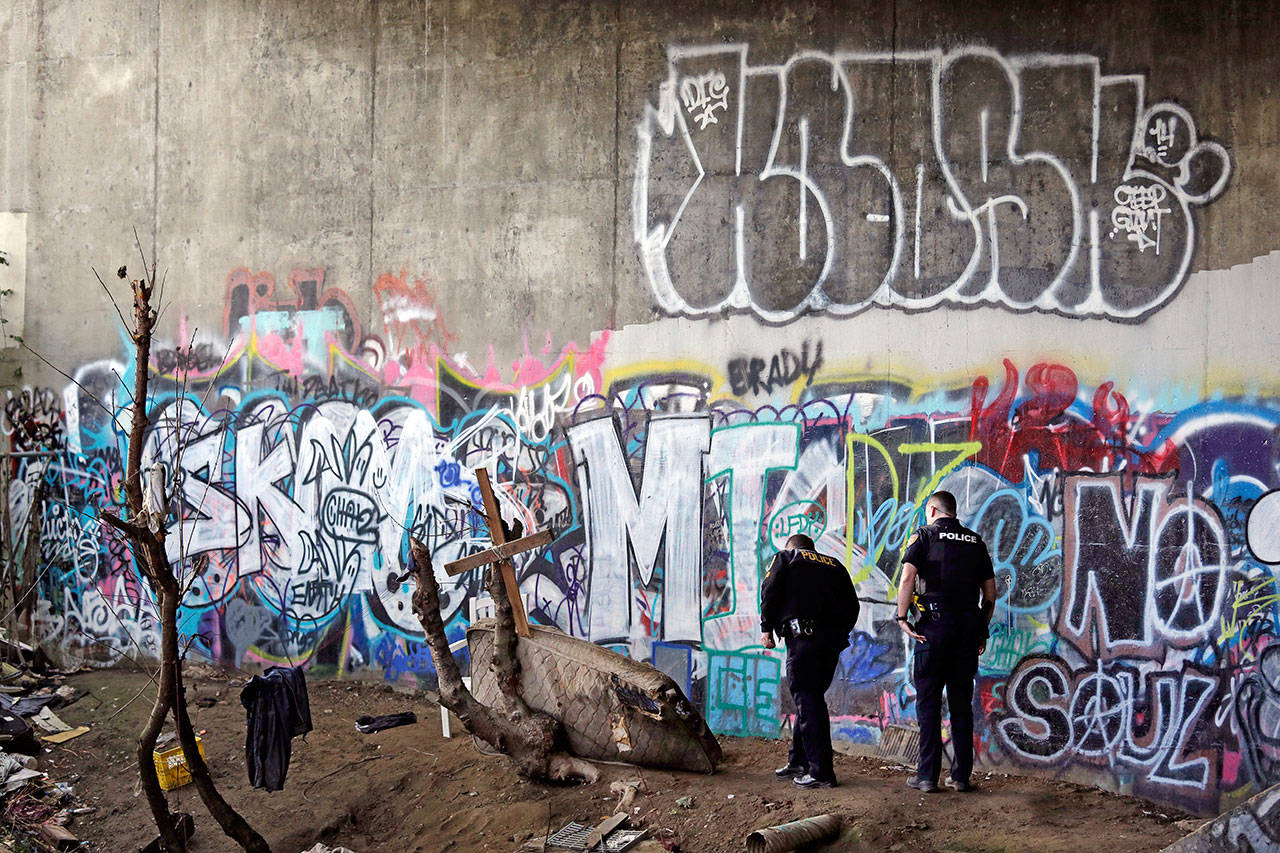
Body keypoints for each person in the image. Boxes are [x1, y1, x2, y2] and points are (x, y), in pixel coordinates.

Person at [896, 490, 997, 794]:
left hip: (933, 631)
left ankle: (927, 777)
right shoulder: (975, 542)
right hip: (967, 632)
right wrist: (981, 630)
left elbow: (906, 579)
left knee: (928, 706)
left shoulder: (923, 536)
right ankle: (961, 777)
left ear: (931, 510)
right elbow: (990, 594)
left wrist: (902, 618)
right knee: (961, 706)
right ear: (952, 512)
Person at [760, 533, 860, 789]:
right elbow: (852, 605)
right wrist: (839, 635)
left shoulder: (787, 557)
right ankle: (799, 761)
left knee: (807, 698)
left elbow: (769, 590)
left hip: (802, 640)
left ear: (791, 546)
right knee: (810, 698)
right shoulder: (834, 564)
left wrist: (766, 628)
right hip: (830, 645)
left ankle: (821, 771)